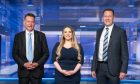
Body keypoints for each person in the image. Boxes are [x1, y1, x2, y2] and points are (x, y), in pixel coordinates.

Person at [91, 8, 129, 84]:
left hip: (114, 69)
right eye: (105, 16)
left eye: (109, 16)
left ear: (113, 17)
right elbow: (96, 51)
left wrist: (123, 70)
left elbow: (125, 53)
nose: (107, 18)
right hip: (100, 69)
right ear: (103, 17)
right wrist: (93, 68)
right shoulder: (99, 31)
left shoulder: (120, 32)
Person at [12, 13, 49, 84]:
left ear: (34, 23)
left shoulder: (41, 35)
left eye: (32, 22)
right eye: (28, 21)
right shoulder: (18, 36)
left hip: (37, 72)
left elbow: (46, 53)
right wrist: (23, 64)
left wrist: (37, 64)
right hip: (23, 72)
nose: (30, 24)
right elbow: (14, 54)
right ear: (24, 22)